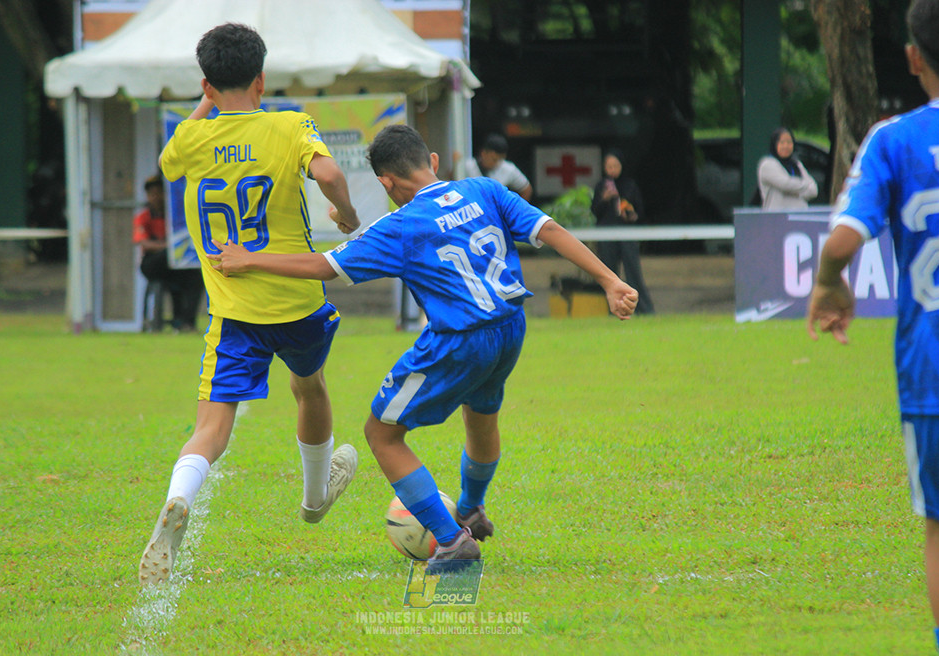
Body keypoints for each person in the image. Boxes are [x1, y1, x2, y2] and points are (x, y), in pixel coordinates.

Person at [208, 124, 638, 571]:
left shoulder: (400, 225)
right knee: (481, 412)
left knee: (381, 433)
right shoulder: (484, 190)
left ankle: (452, 539)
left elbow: (323, 266)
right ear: (432, 161)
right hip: (511, 324)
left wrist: (249, 258)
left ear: (386, 183)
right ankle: (471, 507)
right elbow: (549, 230)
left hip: (459, 338)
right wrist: (610, 280)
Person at [139, 22, 362, 586]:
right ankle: (315, 498)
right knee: (308, 386)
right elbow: (331, 172)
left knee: (212, 427)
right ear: (262, 78)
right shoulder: (289, 126)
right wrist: (348, 217)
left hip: (236, 310)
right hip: (299, 301)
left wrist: (206, 102)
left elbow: (168, 162)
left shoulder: (191, 140)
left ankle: (177, 499)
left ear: (207, 85)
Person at [806, 0, 939, 656]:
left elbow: (841, 241)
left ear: (915, 59)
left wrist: (831, 283)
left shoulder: (895, 139)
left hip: (933, 372)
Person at [132, 173, 204, 332]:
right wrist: (168, 246)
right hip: (153, 263)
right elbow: (143, 242)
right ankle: (151, 321)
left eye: (160, 193)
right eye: (153, 194)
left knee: (197, 276)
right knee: (167, 255)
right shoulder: (143, 216)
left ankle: (187, 322)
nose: (156, 197)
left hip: (175, 264)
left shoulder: (175, 215)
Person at [590, 151, 655, 315]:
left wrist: (632, 215)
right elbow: (595, 212)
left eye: (615, 166)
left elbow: (639, 211)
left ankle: (643, 309)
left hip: (627, 233)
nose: (612, 170)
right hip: (606, 234)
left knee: (633, 271)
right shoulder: (601, 186)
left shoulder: (630, 185)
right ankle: (612, 310)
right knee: (609, 272)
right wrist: (604, 198)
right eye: (609, 167)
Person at [756, 127, 818, 210]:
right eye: (782, 142)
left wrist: (795, 189)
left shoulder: (797, 164)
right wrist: (805, 186)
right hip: (776, 219)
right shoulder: (768, 164)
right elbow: (785, 184)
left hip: (799, 216)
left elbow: (814, 190)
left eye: (789, 142)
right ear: (774, 144)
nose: (786, 146)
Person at [464, 133, 533, 201]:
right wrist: (456, 164)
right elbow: (454, 182)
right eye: (494, 159)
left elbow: (526, 189)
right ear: (483, 153)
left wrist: (516, 210)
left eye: (500, 159)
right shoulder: (469, 165)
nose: (497, 163)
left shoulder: (508, 168)